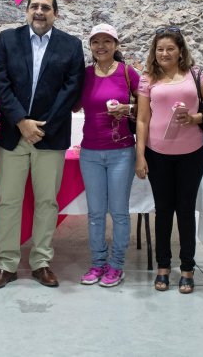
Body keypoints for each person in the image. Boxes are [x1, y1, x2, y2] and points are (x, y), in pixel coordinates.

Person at [0, 0, 85, 289]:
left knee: (46, 202)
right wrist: (20, 121)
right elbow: (0, 82)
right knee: (8, 202)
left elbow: (72, 89)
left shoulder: (70, 45)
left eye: (45, 7)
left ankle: (41, 261)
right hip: (13, 136)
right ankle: (6, 264)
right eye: (34, 6)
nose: (39, 12)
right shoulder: (8, 40)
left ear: (55, 12)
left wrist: (40, 126)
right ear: (26, 10)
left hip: (50, 135)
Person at [135, 26, 203, 294]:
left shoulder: (195, 74)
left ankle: (187, 269)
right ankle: (163, 267)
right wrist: (140, 154)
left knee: (185, 212)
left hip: (191, 154)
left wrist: (197, 118)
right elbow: (142, 118)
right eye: (160, 48)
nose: (164, 53)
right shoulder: (147, 78)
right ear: (154, 51)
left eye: (170, 48)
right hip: (157, 154)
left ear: (180, 50)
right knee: (162, 212)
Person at [76, 24, 140, 288]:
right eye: (95, 42)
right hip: (90, 152)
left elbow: (146, 108)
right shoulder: (85, 75)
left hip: (121, 152)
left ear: (116, 44)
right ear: (90, 46)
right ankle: (98, 263)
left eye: (106, 41)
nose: (101, 46)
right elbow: (73, 103)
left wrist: (128, 108)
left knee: (120, 213)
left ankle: (116, 265)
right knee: (95, 213)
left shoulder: (127, 73)